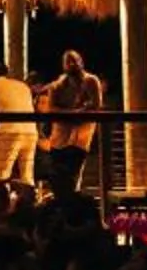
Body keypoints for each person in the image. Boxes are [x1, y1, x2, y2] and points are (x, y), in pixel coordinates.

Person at [39, 48, 104, 197]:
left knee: (72, 175)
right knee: (58, 176)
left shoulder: (91, 81)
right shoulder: (58, 85)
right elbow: (51, 109)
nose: (71, 64)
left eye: (74, 60)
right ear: (63, 65)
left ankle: (70, 206)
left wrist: (78, 111)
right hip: (59, 138)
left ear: (81, 62)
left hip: (80, 137)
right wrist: (75, 112)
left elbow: (96, 105)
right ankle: (63, 206)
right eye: (68, 61)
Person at [0, 62, 38, 188]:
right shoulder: (23, 86)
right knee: (27, 175)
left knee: (2, 174)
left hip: (9, 131)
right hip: (31, 131)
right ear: (6, 73)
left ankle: (1, 204)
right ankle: (28, 203)